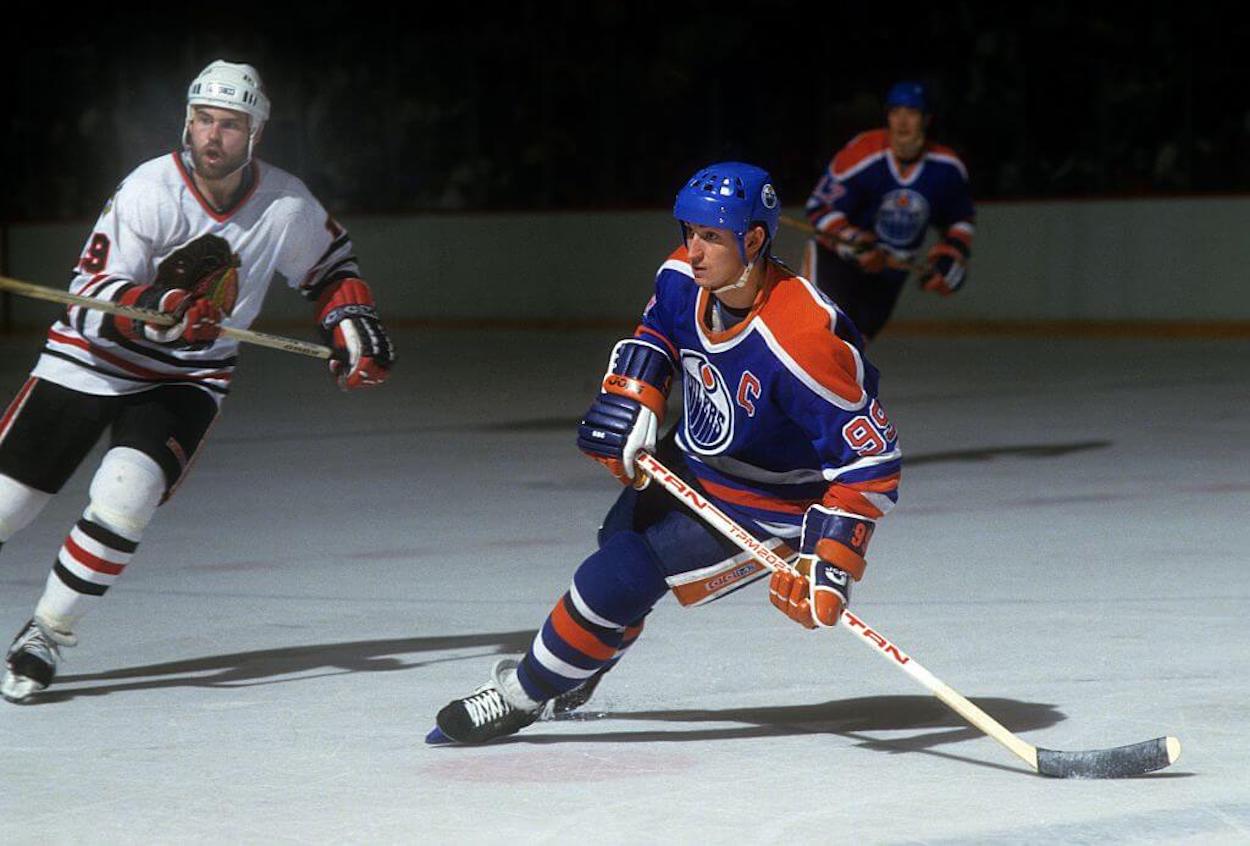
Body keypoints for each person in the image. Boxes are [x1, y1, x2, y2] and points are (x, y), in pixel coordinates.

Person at [427, 162, 900, 745]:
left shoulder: (805, 338)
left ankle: (520, 696)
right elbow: (657, 331)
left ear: (754, 239)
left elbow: (871, 466)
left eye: (712, 237)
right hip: (691, 460)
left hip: (765, 502)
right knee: (616, 545)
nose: (694, 252)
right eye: (690, 233)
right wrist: (634, 397)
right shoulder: (683, 277)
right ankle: (584, 661)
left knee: (616, 576)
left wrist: (829, 561)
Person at [0, 60, 395, 702]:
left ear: (255, 134)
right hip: (87, 363)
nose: (213, 136)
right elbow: (87, 297)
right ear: (188, 121)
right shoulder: (147, 189)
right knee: (8, 508)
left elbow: (329, 269)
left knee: (126, 496)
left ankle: (46, 632)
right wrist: (160, 315)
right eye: (204, 120)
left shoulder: (287, 204)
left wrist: (352, 324)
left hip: (186, 380)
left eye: (230, 125)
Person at [802, 80, 975, 341]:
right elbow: (819, 207)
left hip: (889, 273)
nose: (902, 122)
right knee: (816, 338)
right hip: (836, 263)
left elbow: (960, 219)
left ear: (927, 119)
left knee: (852, 352)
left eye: (912, 113)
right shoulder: (862, 153)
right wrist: (852, 242)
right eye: (896, 112)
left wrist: (951, 253)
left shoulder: (947, 168)